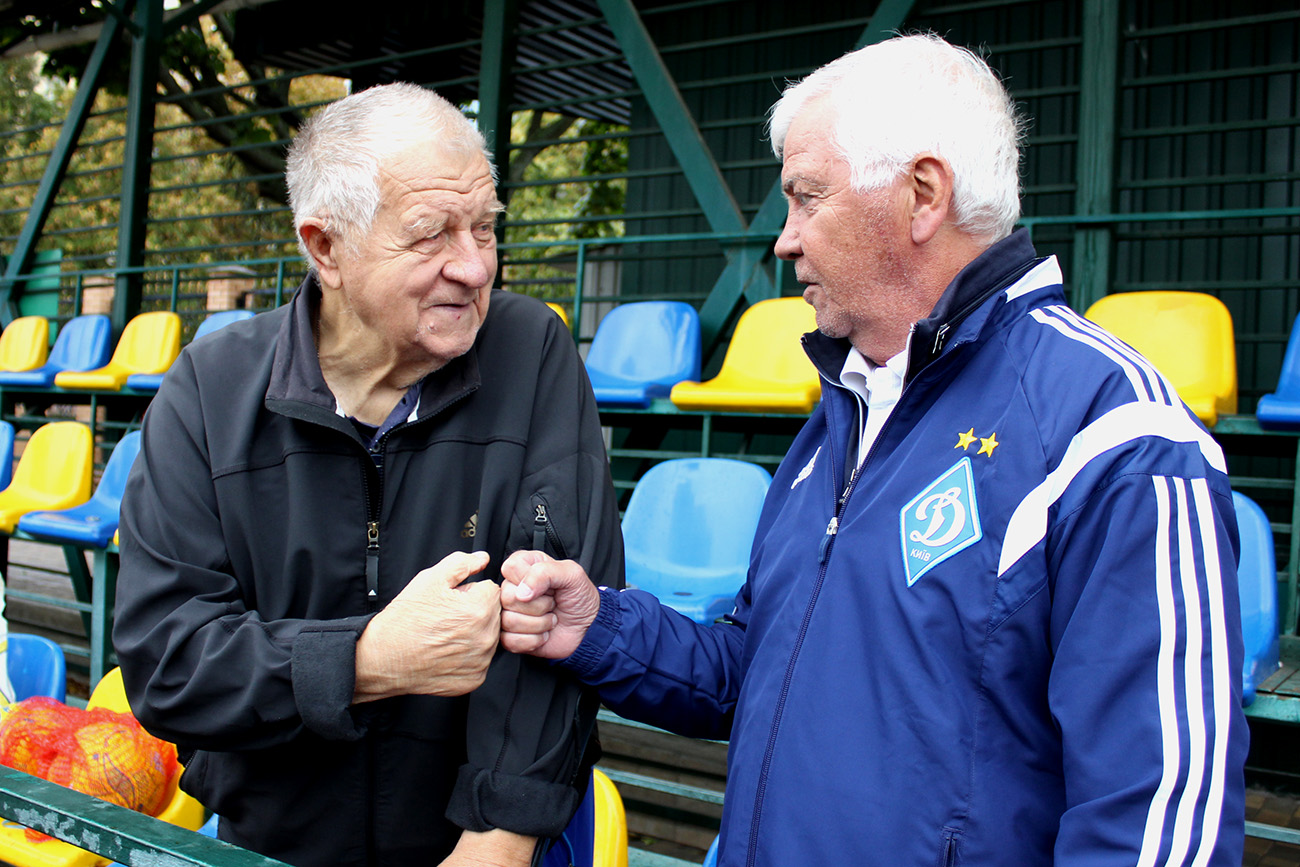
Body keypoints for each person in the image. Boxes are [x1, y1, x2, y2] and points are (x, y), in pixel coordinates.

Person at [499, 34, 1247, 867]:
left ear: (922, 195)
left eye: (806, 197)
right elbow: (757, 671)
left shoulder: (1113, 431)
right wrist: (601, 627)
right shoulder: (843, 414)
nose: (784, 240)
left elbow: (1156, 826)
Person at [114, 83, 623, 867]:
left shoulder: (532, 350)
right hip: (276, 841)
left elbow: (560, 621)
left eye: (485, 227)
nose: (475, 266)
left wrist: (498, 839)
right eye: (431, 235)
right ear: (326, 248)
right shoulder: (208, 391)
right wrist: (367, 658)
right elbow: (169, 661)